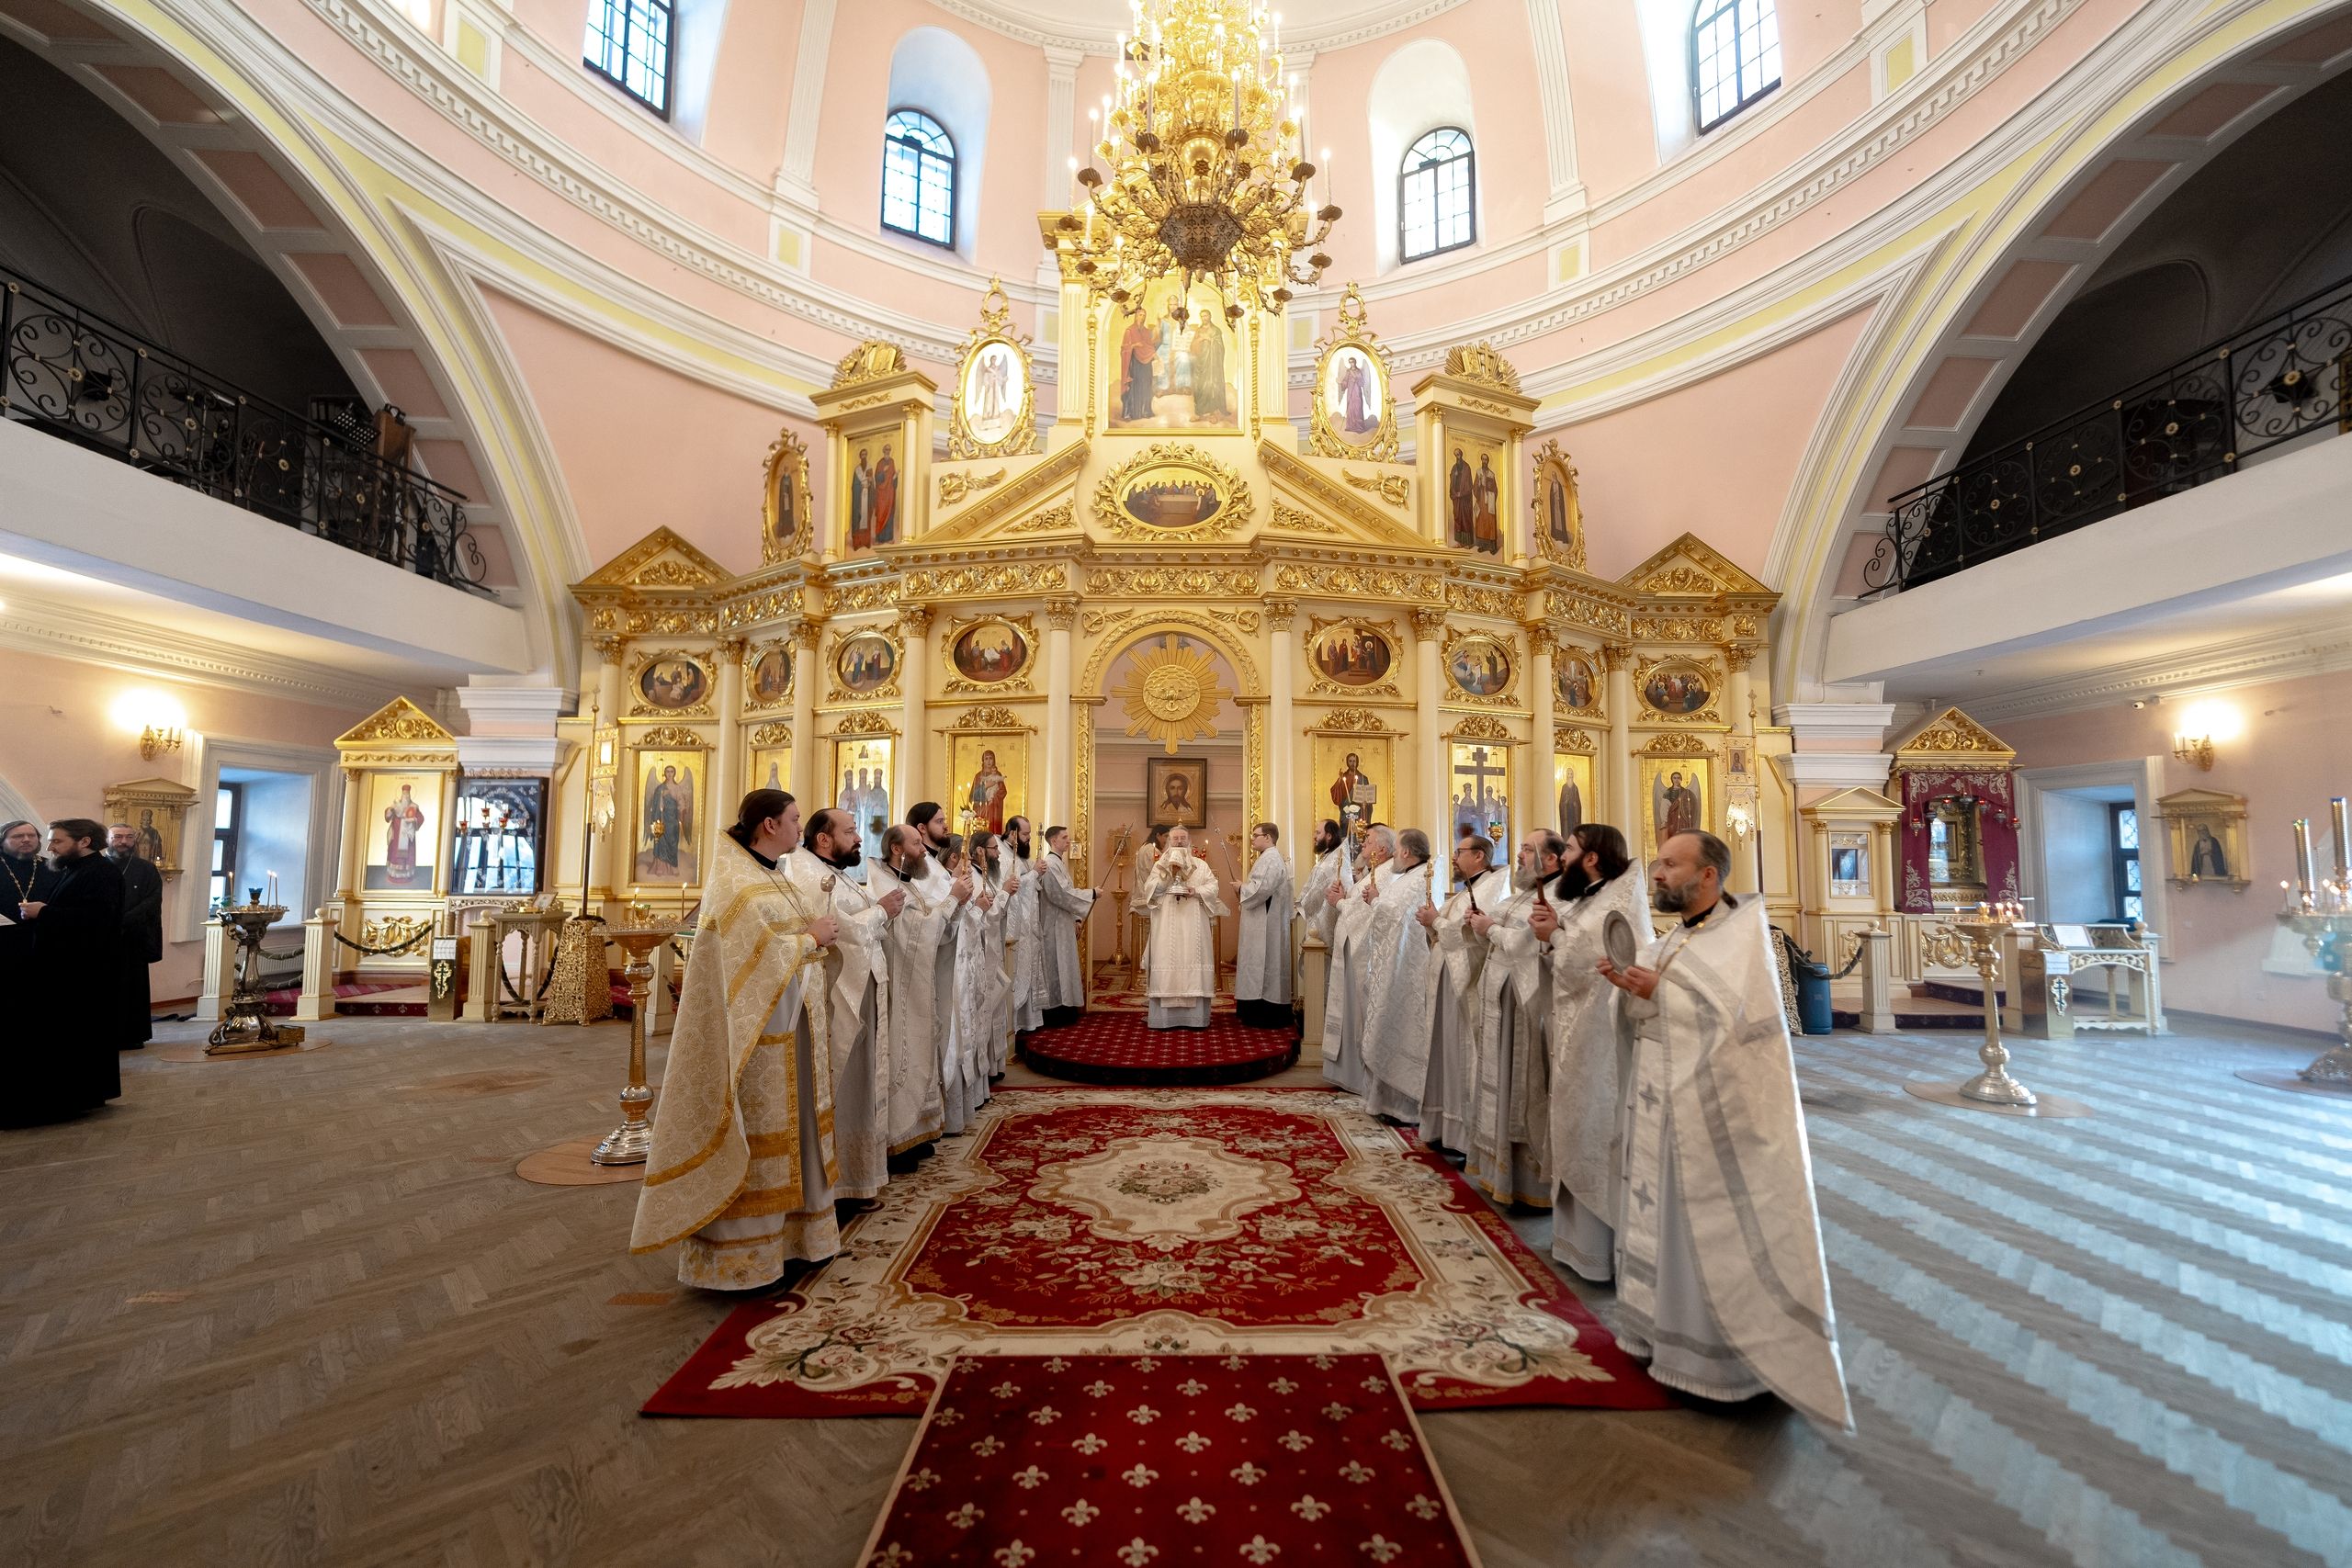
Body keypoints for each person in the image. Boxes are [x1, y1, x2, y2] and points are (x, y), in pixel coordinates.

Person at [1596, 830, 1851, 1427]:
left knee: (1705, 1226)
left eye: (1670, 864)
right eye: (1658, 864)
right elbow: (1649, 1009)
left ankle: (1717, 1357)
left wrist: (1662, 994)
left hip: (1715, 1118)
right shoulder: (1674, 939)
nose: (1658, 874)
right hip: (1660, 1104)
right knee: (1664, 1218)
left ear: (1708, 875)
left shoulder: (1742, 939)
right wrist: (1631, 992)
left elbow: (1746, 1033)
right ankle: (1659, 1332)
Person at [629, 791, 842, 1289]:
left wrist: (810, 940)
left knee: (799, 1137)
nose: (800, 828)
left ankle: (798, 1241)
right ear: (769, 825)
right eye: (794, 820)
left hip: (792, 1034)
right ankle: (746, 1261)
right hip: (756, 1042)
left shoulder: (774, 876)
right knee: (762, 1143)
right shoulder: (736, 885)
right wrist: (811, 939)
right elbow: (752, 961)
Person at [1529, 823, 1645, 1279]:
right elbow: (1569, 949)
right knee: (1574, 1123)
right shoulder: (1589, 897)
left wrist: (1556, 936)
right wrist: (1553, 935)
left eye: (1572, 849)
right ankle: (1572, 1243)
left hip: (1602, 1036)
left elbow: (1590, 958)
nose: (1564, 856)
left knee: (1594, 1126)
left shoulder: (1616, 900)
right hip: (1575, 1029)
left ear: (1592, 858)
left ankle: (1599, 1252)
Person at [787, 808, 904, 1199]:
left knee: (861, 1084)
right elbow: (841, 928)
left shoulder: (836, 873)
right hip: (839, 999)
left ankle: (859, 1176)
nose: (858, 838)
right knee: (843, 1086)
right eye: (850, 831)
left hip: (861, 989)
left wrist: (880, 910)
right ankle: (839, 1185)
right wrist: (881, 910)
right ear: (824, 839)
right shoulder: (809, 874)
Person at [1464, 832, 1565, 1209]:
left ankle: (1525, 1183)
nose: (1519, 855)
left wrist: (1489, 927)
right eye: (1521, 848)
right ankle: (1496, 1173)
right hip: (1499, 1001)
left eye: (1527, 849)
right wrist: (1478, 925)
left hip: (1525, 1004)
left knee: (1519, 1084)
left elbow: (1527, 944)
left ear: (1551, 859)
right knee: (1498, 1081)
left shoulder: (1559, 898)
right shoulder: (1521, 894)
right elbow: (1494, 938)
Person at [14, 819, 125, 1124]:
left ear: (84, 842)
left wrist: (44, 912)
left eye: (57, 841)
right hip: (70, 966)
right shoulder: (77, 869)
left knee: (77, 1035)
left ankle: (74, 1098)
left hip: (84, 970)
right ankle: (83, 1094)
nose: (49, 847)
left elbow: (96, 920)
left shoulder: (102, 873)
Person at [1418, 834, 1510, 1156]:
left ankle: (1460, 1134)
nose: (1455, 857)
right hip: (1446, 981)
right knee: (1443, 1051)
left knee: (1459, 1053)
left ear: (1479, 856)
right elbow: (1447, 928)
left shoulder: (1491, 888)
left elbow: (1471, 936)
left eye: (1460, 851)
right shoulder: (1466, 890)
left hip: (1464, 984)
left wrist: (1436, 922)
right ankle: (1441, 1126)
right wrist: (1431, 923)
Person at [873, 824, 952, 1154]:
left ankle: (921, 1129)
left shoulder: (909, 882)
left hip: (918, 981)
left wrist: (956, 906)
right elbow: (913, 931)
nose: (923, 851)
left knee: (923, 1048)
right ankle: (899, 1139)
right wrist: (953, 902)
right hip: (898, 988)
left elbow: (933, 929)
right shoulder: (883, 882)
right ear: (897, 849)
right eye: (917, 844)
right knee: (901, 1053)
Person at [940, 833, 1003, 1130]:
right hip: (956, 966)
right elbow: (955, 924)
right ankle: (955, 1108)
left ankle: (974, 1095)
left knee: (975, 1024)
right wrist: (978, 907)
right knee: (961, 1033)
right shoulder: (947, 884)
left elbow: (975, 918)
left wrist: (979, 907)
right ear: (955, 858)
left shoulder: (964, 881)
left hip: (973, 959)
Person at [1144, 826, 1227, 1030]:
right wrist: (1167, 876)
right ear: (1168, 842)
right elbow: (1150, 891)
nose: (1179, 841)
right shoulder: (1160, 866)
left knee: (1193, 959)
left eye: (1183, 838)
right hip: (1166, 926)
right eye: (1175, 839)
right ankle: (1164, 1019)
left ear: (1189, 841)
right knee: (1167, 961)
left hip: (1193, 926)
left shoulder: (1201, 865)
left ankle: (1195, 1019)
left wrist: (1195, 891)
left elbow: (1213, 888)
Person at [106, 822, 165, 1050]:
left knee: (133, 987)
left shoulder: (146, 869)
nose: (123, 841)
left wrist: (126, 919)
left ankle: (133, 1035)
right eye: (118, 837)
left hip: (133, 937)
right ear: (107, 839)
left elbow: (153, 899)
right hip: (103, 937)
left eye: (129, 837)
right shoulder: (98, 867)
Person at [1233, 822, 1294, 1029]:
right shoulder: (1267, 857)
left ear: (1268, 837)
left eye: (1256, 835)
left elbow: (1261, 889)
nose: (1252, 839)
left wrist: (1241, 888)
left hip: (1266, 925)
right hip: (1261, 920)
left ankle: (1263, 1014)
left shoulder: (1271, 859)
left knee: (1264, 963)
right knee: (1256, 962)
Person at [1035, 825, 1096, 1027]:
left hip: (1063, 922)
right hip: (1053, 925)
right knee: (1056, 965)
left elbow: (1068, 890)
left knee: (1065, 965)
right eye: (1064, 837)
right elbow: (1062, 894)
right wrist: (1092, 894)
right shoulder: (1050, 864)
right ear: (1054, 841)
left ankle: (1067, 1007)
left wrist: (1076, 919)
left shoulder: (1059, 862)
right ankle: (1055, 1012)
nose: (1068, 841)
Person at [2, 819, 60, 1019]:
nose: (26, 840)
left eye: (31, 835)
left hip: (42, 945)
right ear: (2, 841)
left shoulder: (52, 867)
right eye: (18, 836)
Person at [1001, 817, 1045, 1036]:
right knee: (1015, 972)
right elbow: (1013, 888)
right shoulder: (1003, 855)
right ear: (1012, 834)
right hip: (1014, 926)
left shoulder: (1019, 855)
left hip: (1027, 925)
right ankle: (1013, 1026)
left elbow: (1030, 884)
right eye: (1025, 834)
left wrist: (1036, 874)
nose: (1028, 838)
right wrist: (1034, 873)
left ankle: (1027, 1023)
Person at [1295, 819, 1347, 953]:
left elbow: (1315, 892)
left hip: (1326, 923)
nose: (1314, 836)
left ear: (1329, 835)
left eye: (1318, 833)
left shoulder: (1330, 863)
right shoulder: (1330, 857)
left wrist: (1300, 904)